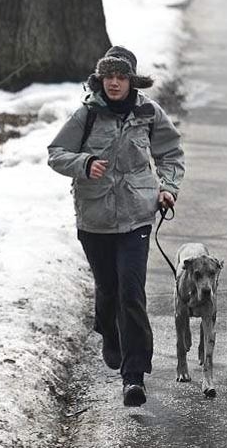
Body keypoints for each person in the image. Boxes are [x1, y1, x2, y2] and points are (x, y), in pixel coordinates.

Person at [47, 46, 185, 406]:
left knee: (131, 292)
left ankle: (134, 376)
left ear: (131, 80)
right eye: (108, 76)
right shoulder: (87, 115)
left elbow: (170, 153)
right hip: (95, 219)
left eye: (120, 76)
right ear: (100, 79)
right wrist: (84, 162)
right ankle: (109, 332)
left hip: (138, 216)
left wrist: (167, 188)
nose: (114, 82)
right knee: (108, 290)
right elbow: (56, 153)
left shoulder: (148, 113)